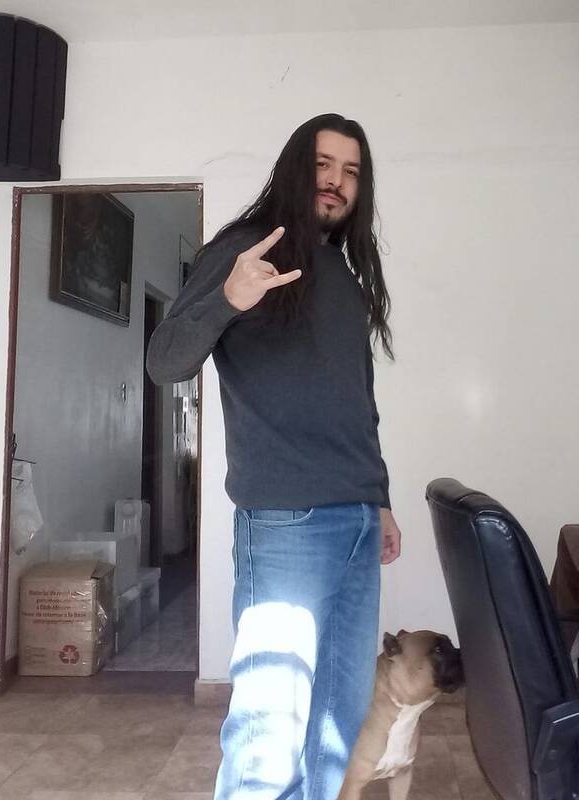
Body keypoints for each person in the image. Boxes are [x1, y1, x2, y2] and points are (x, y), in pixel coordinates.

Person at [146, 113, 401, 800]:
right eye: (324, 164)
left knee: (337, 724)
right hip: (286, 522)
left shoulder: (343, 272)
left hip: (355, 519)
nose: (336, 181)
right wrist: (229, 299)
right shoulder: (243, 250)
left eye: (350, 172)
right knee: (270, 732)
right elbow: (165, 361)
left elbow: (359, 399)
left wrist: (378, 499)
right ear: (296, 166)